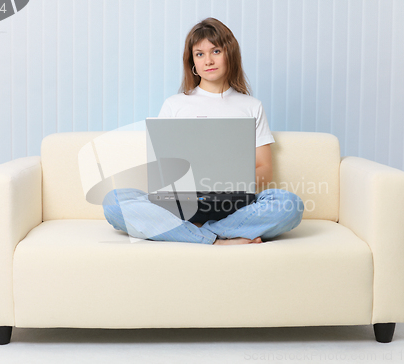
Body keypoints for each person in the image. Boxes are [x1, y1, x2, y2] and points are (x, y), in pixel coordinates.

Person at [103, 18, 303, 245]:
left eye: (216, 51)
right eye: (199, 54)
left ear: (230, 55)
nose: (208, 60)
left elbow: (265, 170)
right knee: (114, 200)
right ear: (192, 63)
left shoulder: (251, 106)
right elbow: (162, 168)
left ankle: (196, 233)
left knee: (290, 204)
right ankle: (217, 238)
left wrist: (230, 181)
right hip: (182, 204)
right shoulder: (174, 104)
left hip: (233, 205)